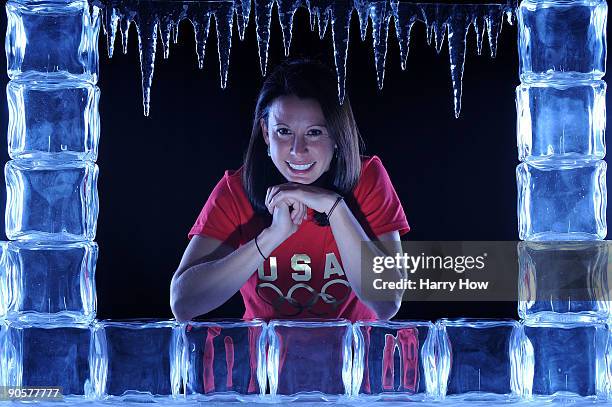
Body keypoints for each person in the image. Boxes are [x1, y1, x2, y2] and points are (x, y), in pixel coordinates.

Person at [170, 59, 410, 323]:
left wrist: (334, 206)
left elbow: (388, 302)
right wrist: (272, 235)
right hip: (264, 361)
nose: (297, 150)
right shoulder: (236, 190)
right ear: (265, 132)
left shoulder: (368, 179)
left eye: (315, 132)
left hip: (353, 362)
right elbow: (183, 303)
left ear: (337, 136)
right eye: (283, 131)